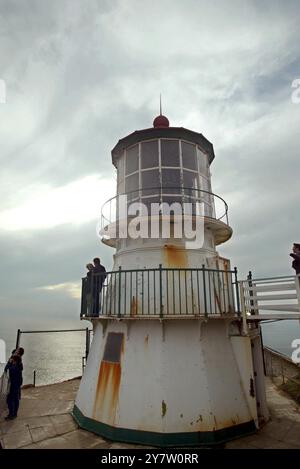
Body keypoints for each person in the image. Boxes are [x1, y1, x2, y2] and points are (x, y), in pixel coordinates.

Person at [5, 355, 22, 420]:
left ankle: (11, 414)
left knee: (9, 400)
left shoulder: (14, 368)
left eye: (13, 359)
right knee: (16, 400)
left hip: (13, 386)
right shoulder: (19, 366)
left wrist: (9, 363)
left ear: (15, 361)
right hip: (17, 385)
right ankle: (15, 414)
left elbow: (6, 369)